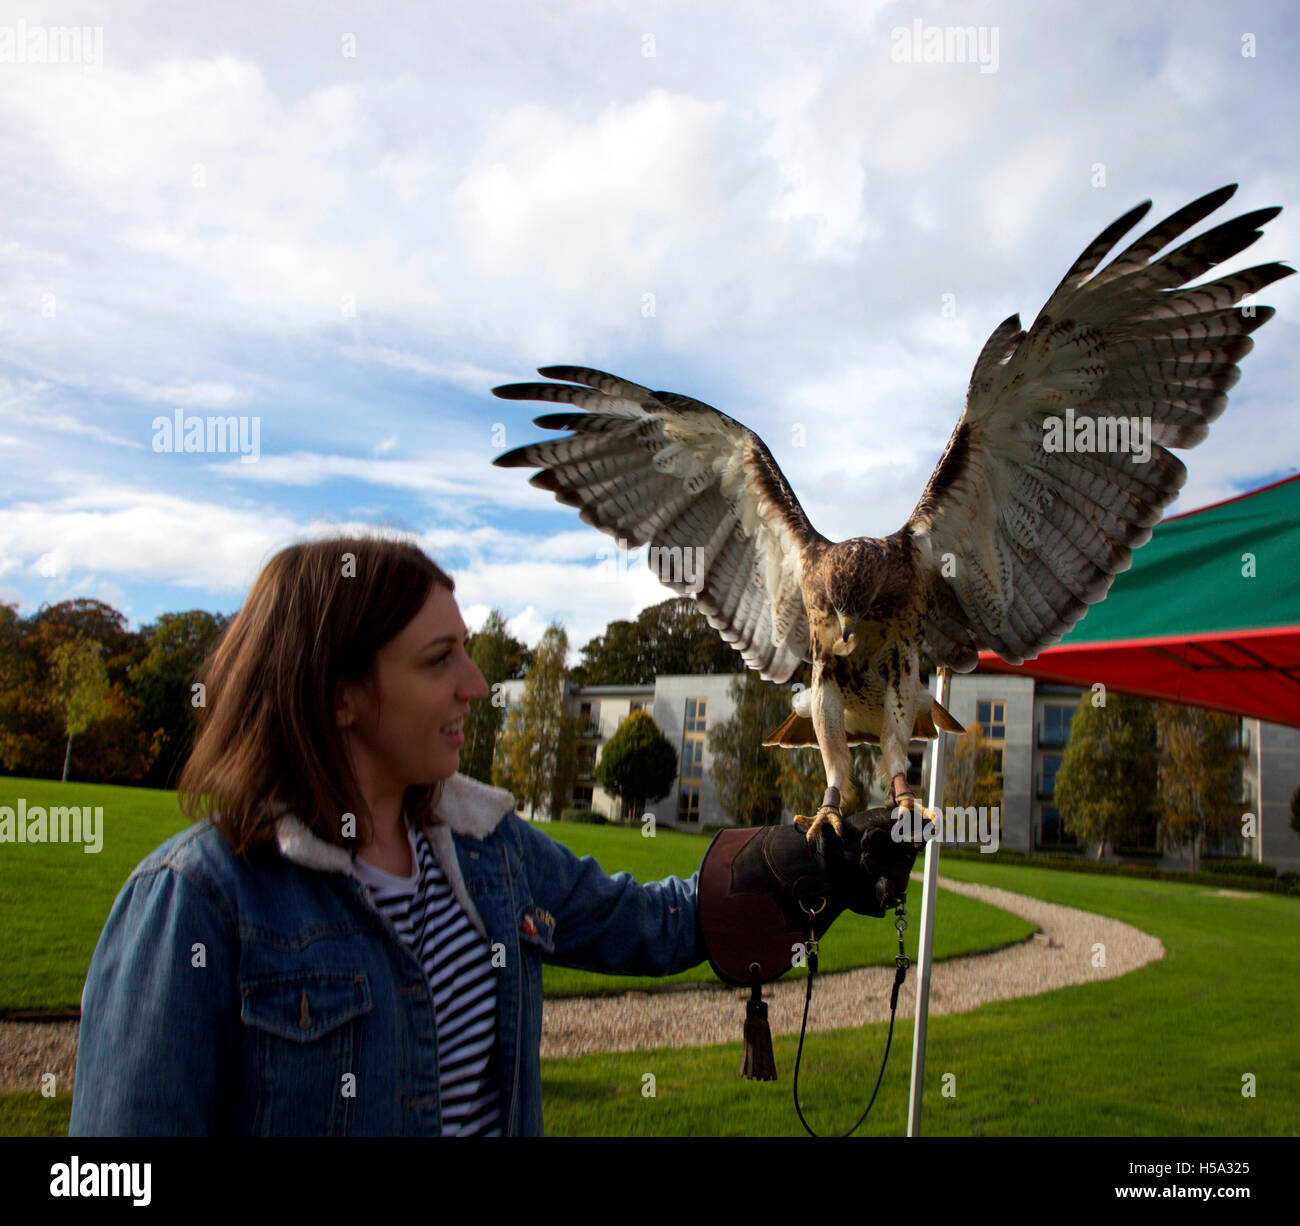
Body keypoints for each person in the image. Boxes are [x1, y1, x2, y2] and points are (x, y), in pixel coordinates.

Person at [69, 534, 916, 1136]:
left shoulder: (488, 848)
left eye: (469, 653)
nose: (477, 684)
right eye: (440, 660)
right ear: (339, 695)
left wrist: (811, 865)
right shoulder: (197, 902)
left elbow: (652, 924)